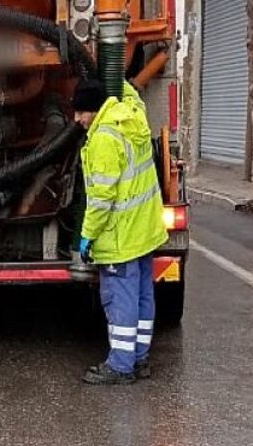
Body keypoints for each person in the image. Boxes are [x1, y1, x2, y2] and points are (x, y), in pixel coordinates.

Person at [71, 79, 169, 385]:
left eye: (81, 112)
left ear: (95, 110)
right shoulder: (132, 116)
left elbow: (101, 199)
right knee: (142, 297)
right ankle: (139, 359)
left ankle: (121, 366)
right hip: (144, 233)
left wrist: (87, 236)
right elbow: (134, 96)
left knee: (120, 301)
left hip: (120, 238)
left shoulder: (103, 139)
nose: (77, 119)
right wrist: (113, 73)